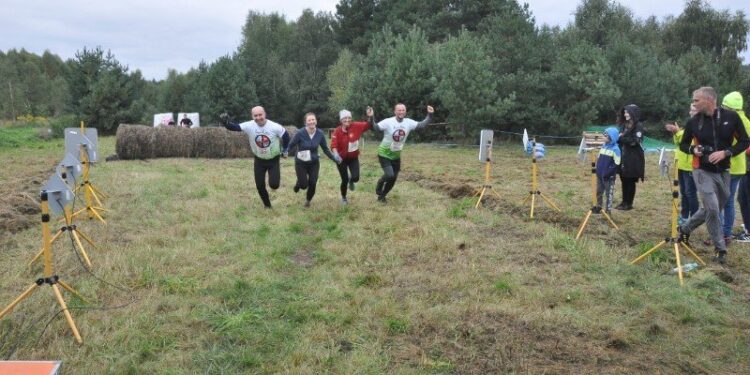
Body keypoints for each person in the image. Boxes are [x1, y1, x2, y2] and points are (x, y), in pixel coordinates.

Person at [678, 87, 750, 264]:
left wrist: (726, 153)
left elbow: (745, 141)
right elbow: (683, 145)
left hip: (724, 171)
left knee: (715, 207)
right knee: (711, 207)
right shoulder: (693, 122)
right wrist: (694, 149)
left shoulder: (731, 118)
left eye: (696, 100)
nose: (693, 104)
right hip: (701, 170)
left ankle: (685, 229)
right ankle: (720, 248)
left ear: (709, 100)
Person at [221, 106, 290, 209]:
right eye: (255, 115)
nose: (258, 117)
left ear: (264, 114)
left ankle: (273, 184)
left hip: (273, 160)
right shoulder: (249, 125)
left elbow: (286, 136)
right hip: (259, 160)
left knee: (274, 185)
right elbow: (235, 127)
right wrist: (226, 123)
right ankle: (267, 206)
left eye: (260, 115)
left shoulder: (274, 126)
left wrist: (285, 150)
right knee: (259, 185)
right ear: (252, 116)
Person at [374, 104, 434, 203]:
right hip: (384, 153)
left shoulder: (408, 122)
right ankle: (380, 182)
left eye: (403, 110)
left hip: (396, 155)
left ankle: (382, 196)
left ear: (405, 112)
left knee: (393, 178)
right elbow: (376, 127)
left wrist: (430, 114)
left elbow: (422, 125)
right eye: (399, 110)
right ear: (395, 111)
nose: (401, 112)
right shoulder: (388, 122)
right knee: (389, 175)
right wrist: (371, 117)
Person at [288, 112, 341, 207]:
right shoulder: (300, 133)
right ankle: (299, 183)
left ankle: (308, 201)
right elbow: (291, 145)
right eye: (309, 120)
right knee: (304, 185)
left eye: (313, 119)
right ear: (305, 123)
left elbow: (325, 149)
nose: (311, 121)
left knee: (313, 182)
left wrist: (335, 159)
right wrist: (285, 152)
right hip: (301, 162)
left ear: (316, 121)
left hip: (314, 163)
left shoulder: (320, 134)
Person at [720, 91, 750, 243]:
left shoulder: (731, 120)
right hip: (740, 167)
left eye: (724, 106)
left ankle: (720, 234)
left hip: (728, 165)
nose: (722, 108)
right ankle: (726, 234)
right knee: (730, 200)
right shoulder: (746, 120)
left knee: (719, 200)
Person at [330, 106, 375, 204]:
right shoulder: (337, 131)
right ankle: (344, 197)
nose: (347, 120)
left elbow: (369, 125)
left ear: (351, 118)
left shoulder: (357, 126)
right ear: (341, 120)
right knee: (344, 179)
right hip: (341, 159)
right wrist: (336, 154)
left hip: (353, 158)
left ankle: (351, 180)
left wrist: (371, 116)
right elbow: (333, 145)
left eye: (349, 118)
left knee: (356, 178)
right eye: (344, 118)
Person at [665, 104, 700, 225]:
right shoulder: (691, 123)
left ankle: (695, 217)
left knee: (691, 192)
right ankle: (685, 216)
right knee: (684, 192)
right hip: (681, 163)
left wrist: (678, 132)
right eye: (690, 109)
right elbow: (679, 143)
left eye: (693, 110)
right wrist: (676, 133)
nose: (691, 112)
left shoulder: (700, 125)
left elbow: (691, 142)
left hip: (690, 164)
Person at [616, 104, 645, 210]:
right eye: (624, 112)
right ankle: (624, 202)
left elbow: (634, 142)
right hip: (624, 155)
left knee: (630, 179)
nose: (625, 114)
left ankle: (629, 203)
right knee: (623, 178)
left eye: (627, 112)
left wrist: (621, 138)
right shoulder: (624, 125)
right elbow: (619, 137)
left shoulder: (638, 126)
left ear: (633, 113)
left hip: (633, 157)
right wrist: (621, 138)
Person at [594, 127, 621, 214]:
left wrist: (608, 173)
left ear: (611, 137)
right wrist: (596, 170)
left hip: (609, 177)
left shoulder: (616, 149)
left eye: (605, 135)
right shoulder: (603, 147)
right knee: (598, 191)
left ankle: (608, 211)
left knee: (608, 194)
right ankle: (598, 207)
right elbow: (598, 159)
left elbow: (616, 164)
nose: (603, 136)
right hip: (599, 175)